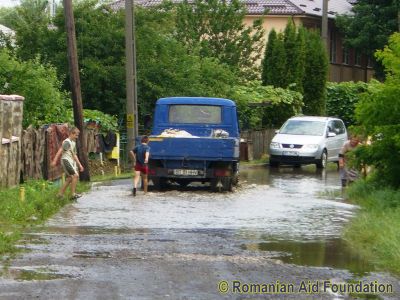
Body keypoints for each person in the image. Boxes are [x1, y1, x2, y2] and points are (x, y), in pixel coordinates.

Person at [51, 127, 84, 199]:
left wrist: (80, 165)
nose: (77, 137)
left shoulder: (73, 143)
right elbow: (60, 150)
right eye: (76, 135)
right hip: (66, 160)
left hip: (70, 161)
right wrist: (54, 161)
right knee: (75, 176)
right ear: (72, 133)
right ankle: (72, 195)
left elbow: (74, 155)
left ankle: (59, 195)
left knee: (69, 178)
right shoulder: (67, 142)